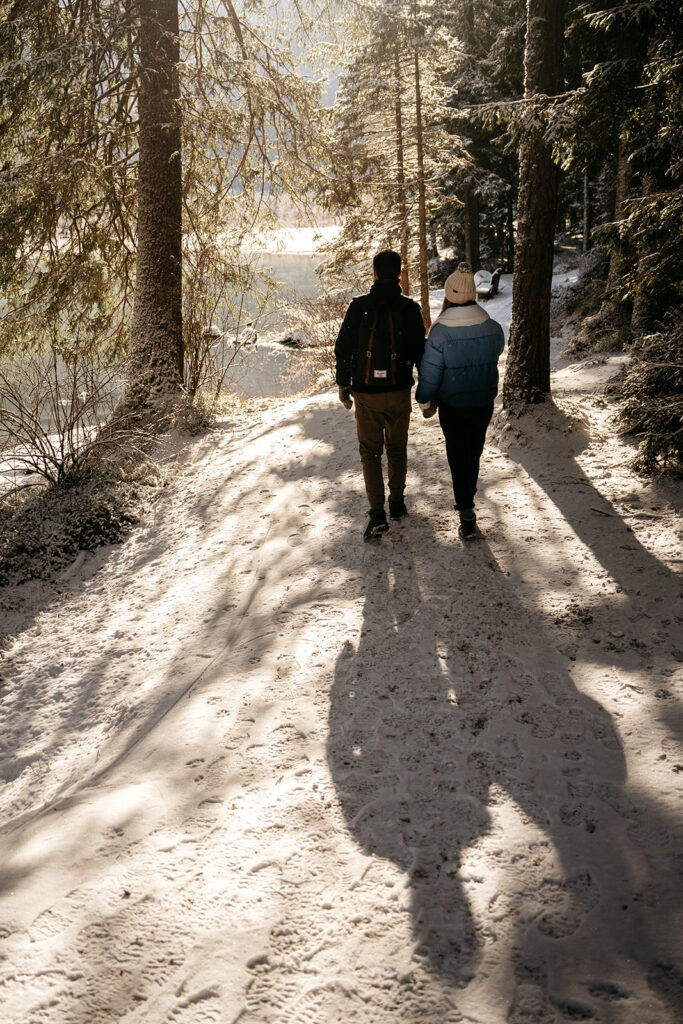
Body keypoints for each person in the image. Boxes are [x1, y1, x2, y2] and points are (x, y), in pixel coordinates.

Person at [335, 250, 426, 541]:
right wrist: (426, 391)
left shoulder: (359, 307)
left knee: (370, 453)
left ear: (374, 273)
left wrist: (344, 385)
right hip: (399, 391)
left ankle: (377, 514)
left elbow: (343, 349)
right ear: (399, 274)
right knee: (397, 448)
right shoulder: (410, 309)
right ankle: (397, 504)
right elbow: (420, 353)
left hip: (367, 392)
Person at [415, 262, 505, 539]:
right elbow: (495, 353)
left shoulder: (440, 333)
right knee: (474, 451)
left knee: (457, 454)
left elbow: (430, 374)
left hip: (453, 405)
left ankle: (466, 509)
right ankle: (469, 494)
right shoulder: (493, 328)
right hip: (483, 402)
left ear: (450, 294)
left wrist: (423, 399)